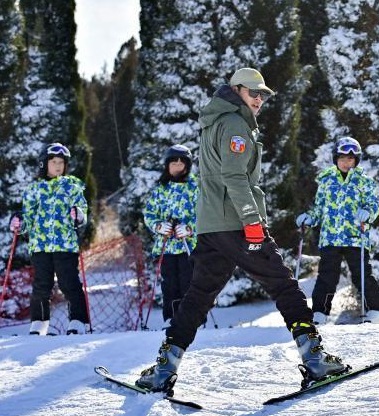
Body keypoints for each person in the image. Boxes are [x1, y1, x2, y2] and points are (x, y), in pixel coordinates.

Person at [136, 67, 350, 392]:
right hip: (236, 222)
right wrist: (251, 221)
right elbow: (234, 177)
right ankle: (315, 358)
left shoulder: (213, 123)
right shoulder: (235, 124)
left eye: (263, 94)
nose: (260, 99)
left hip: (210, 226)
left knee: (197, 296)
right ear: (236, 90)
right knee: (284, 285)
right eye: (254, 92)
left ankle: (165, 367)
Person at [296, 137, 379, 324]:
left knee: (362, 275)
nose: (346, 162)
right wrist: (309, 218)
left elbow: (373, 205)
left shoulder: (363, 181)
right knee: (326, 278)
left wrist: (367, 212)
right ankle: (319, 314)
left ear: (356, 160)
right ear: (336, 158)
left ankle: (376, 312)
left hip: (356, 238)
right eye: (343, 158)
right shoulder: (326, 181)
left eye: (351, 159)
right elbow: (319, 209)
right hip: (331, 238)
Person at [9, 143, 89, 335]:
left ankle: (78, 321)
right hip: (40, 245)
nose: (58, 166)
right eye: (53, 162)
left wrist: (78, 215)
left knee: (69, 282)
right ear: (44, 164)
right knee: (41, 285)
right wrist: (19, 224)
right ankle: (39, 322)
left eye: (61, 162)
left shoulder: (72, 185)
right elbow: (28, 216)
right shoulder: (35, 189)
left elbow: (82, 210)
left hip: (65, 244)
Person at [142, 144, 199, 328]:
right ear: (167, 165)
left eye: (182, 163)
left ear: (187, 166)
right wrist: (159, 226)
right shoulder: (161, 189)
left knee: (188, 282)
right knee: (170, 285)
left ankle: (192, 319)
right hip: (166, 246)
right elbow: (149, 214)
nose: (177, 166)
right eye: (174, 162)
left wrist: (190, 228)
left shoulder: (194, 188)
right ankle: (171, 318)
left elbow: (205, 214)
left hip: (187, 247)